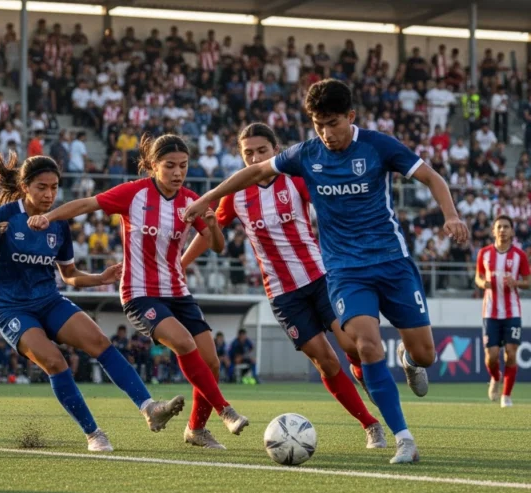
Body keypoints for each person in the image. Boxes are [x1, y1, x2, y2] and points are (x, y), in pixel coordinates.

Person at [182, 79, 469, 464]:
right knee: (364, 346)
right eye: (318, 125)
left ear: (350, 117)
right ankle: (402, 437)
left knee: (426, 353)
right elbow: (250, 175)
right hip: (343, 271)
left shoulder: (378, 146)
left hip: (392, 263)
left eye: (332, 123)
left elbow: (431, 177)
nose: (326, 133)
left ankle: (412, 361)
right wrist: (207, 198)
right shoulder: (306, 154)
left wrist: (450, 215)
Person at [27, 134, 250, 450]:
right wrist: (48, 216)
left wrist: (212, 225)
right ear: (153, 166)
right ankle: (225, 410)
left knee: (211, 362)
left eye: (183, 166)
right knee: (185, 343)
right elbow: (87, 204)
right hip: (139, 292)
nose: (177, 172)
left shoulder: (191, 200)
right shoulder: (134, 193)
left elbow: (217, 245)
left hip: (177, 290)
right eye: (169, 166)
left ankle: (196, 430)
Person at [182, 123, 385, 449]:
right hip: (282, 293)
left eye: (262, 150)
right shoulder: (235, 194)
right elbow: (211, 236)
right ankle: (371, 425)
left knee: (351, 345)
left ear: (275, 150)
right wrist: (181, 264)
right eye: (248, 152)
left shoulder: (295, 179)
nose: (255, 157)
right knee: (326, 360)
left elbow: (332, 205)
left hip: (321, 279)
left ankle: (365, 376)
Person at [0, 152, 185, 451]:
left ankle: (149, 408)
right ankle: (94, 433)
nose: (49, 194)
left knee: (100, 342)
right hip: (11, 308)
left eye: (54, 187)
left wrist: (100, 278)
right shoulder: (5, 217)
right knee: (54, 361)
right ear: (25, 186)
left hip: (49, 301)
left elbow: (69, 274)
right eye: (41, 187)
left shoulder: (59, 223)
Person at [475, 215, 529, 408]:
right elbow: (478, 277)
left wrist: (518, 283)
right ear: (493, 231)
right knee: (491, 356)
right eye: (499, 227)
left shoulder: (519, 256)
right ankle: (495, 377)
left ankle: (506, 395)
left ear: (512, 231)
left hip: (512, 311)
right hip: (490, 312)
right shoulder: (484, 253)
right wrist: (483, 283)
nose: (503, 230)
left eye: (506, 227)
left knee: (511, 354)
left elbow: (528, 281)